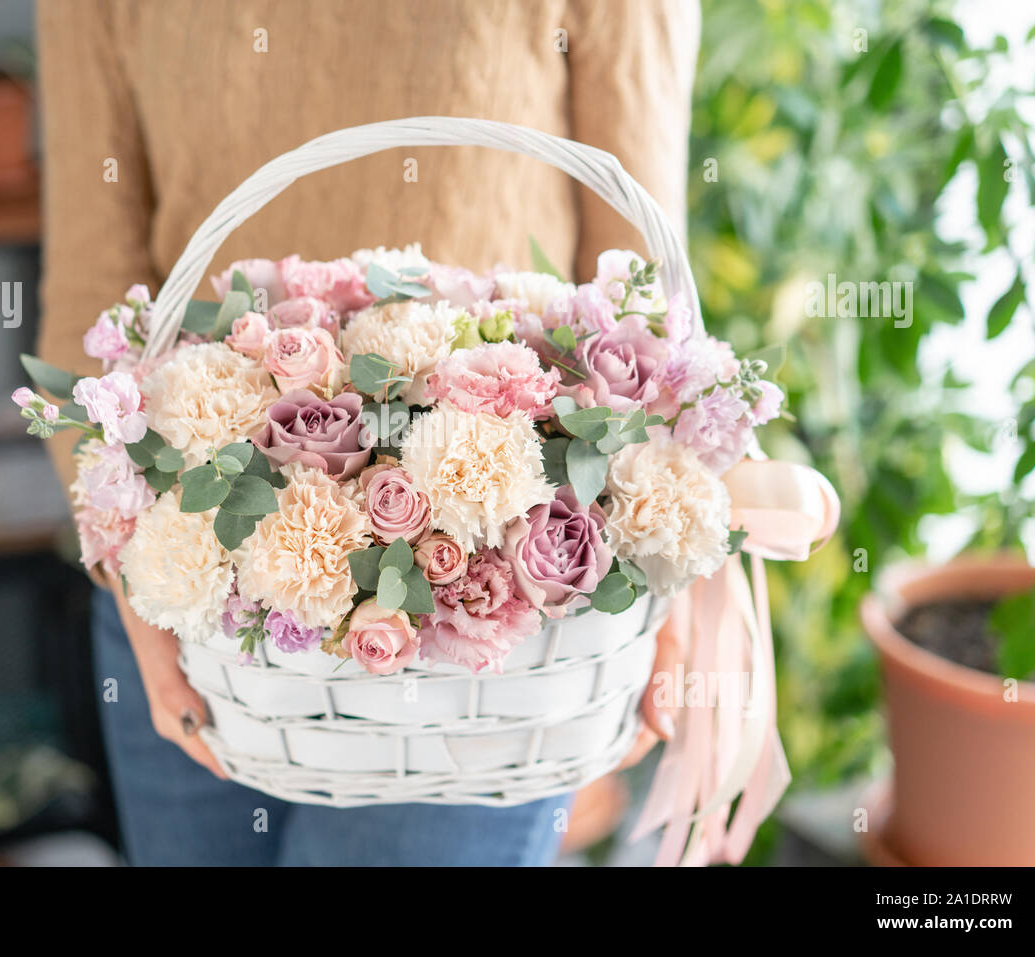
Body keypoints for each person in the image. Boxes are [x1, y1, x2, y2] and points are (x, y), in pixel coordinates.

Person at [35, 0, 700, 865]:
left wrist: (665, 587)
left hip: (470, 636)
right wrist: (134, 574)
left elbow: (645, 299)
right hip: (187, 592)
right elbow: (92, 278)